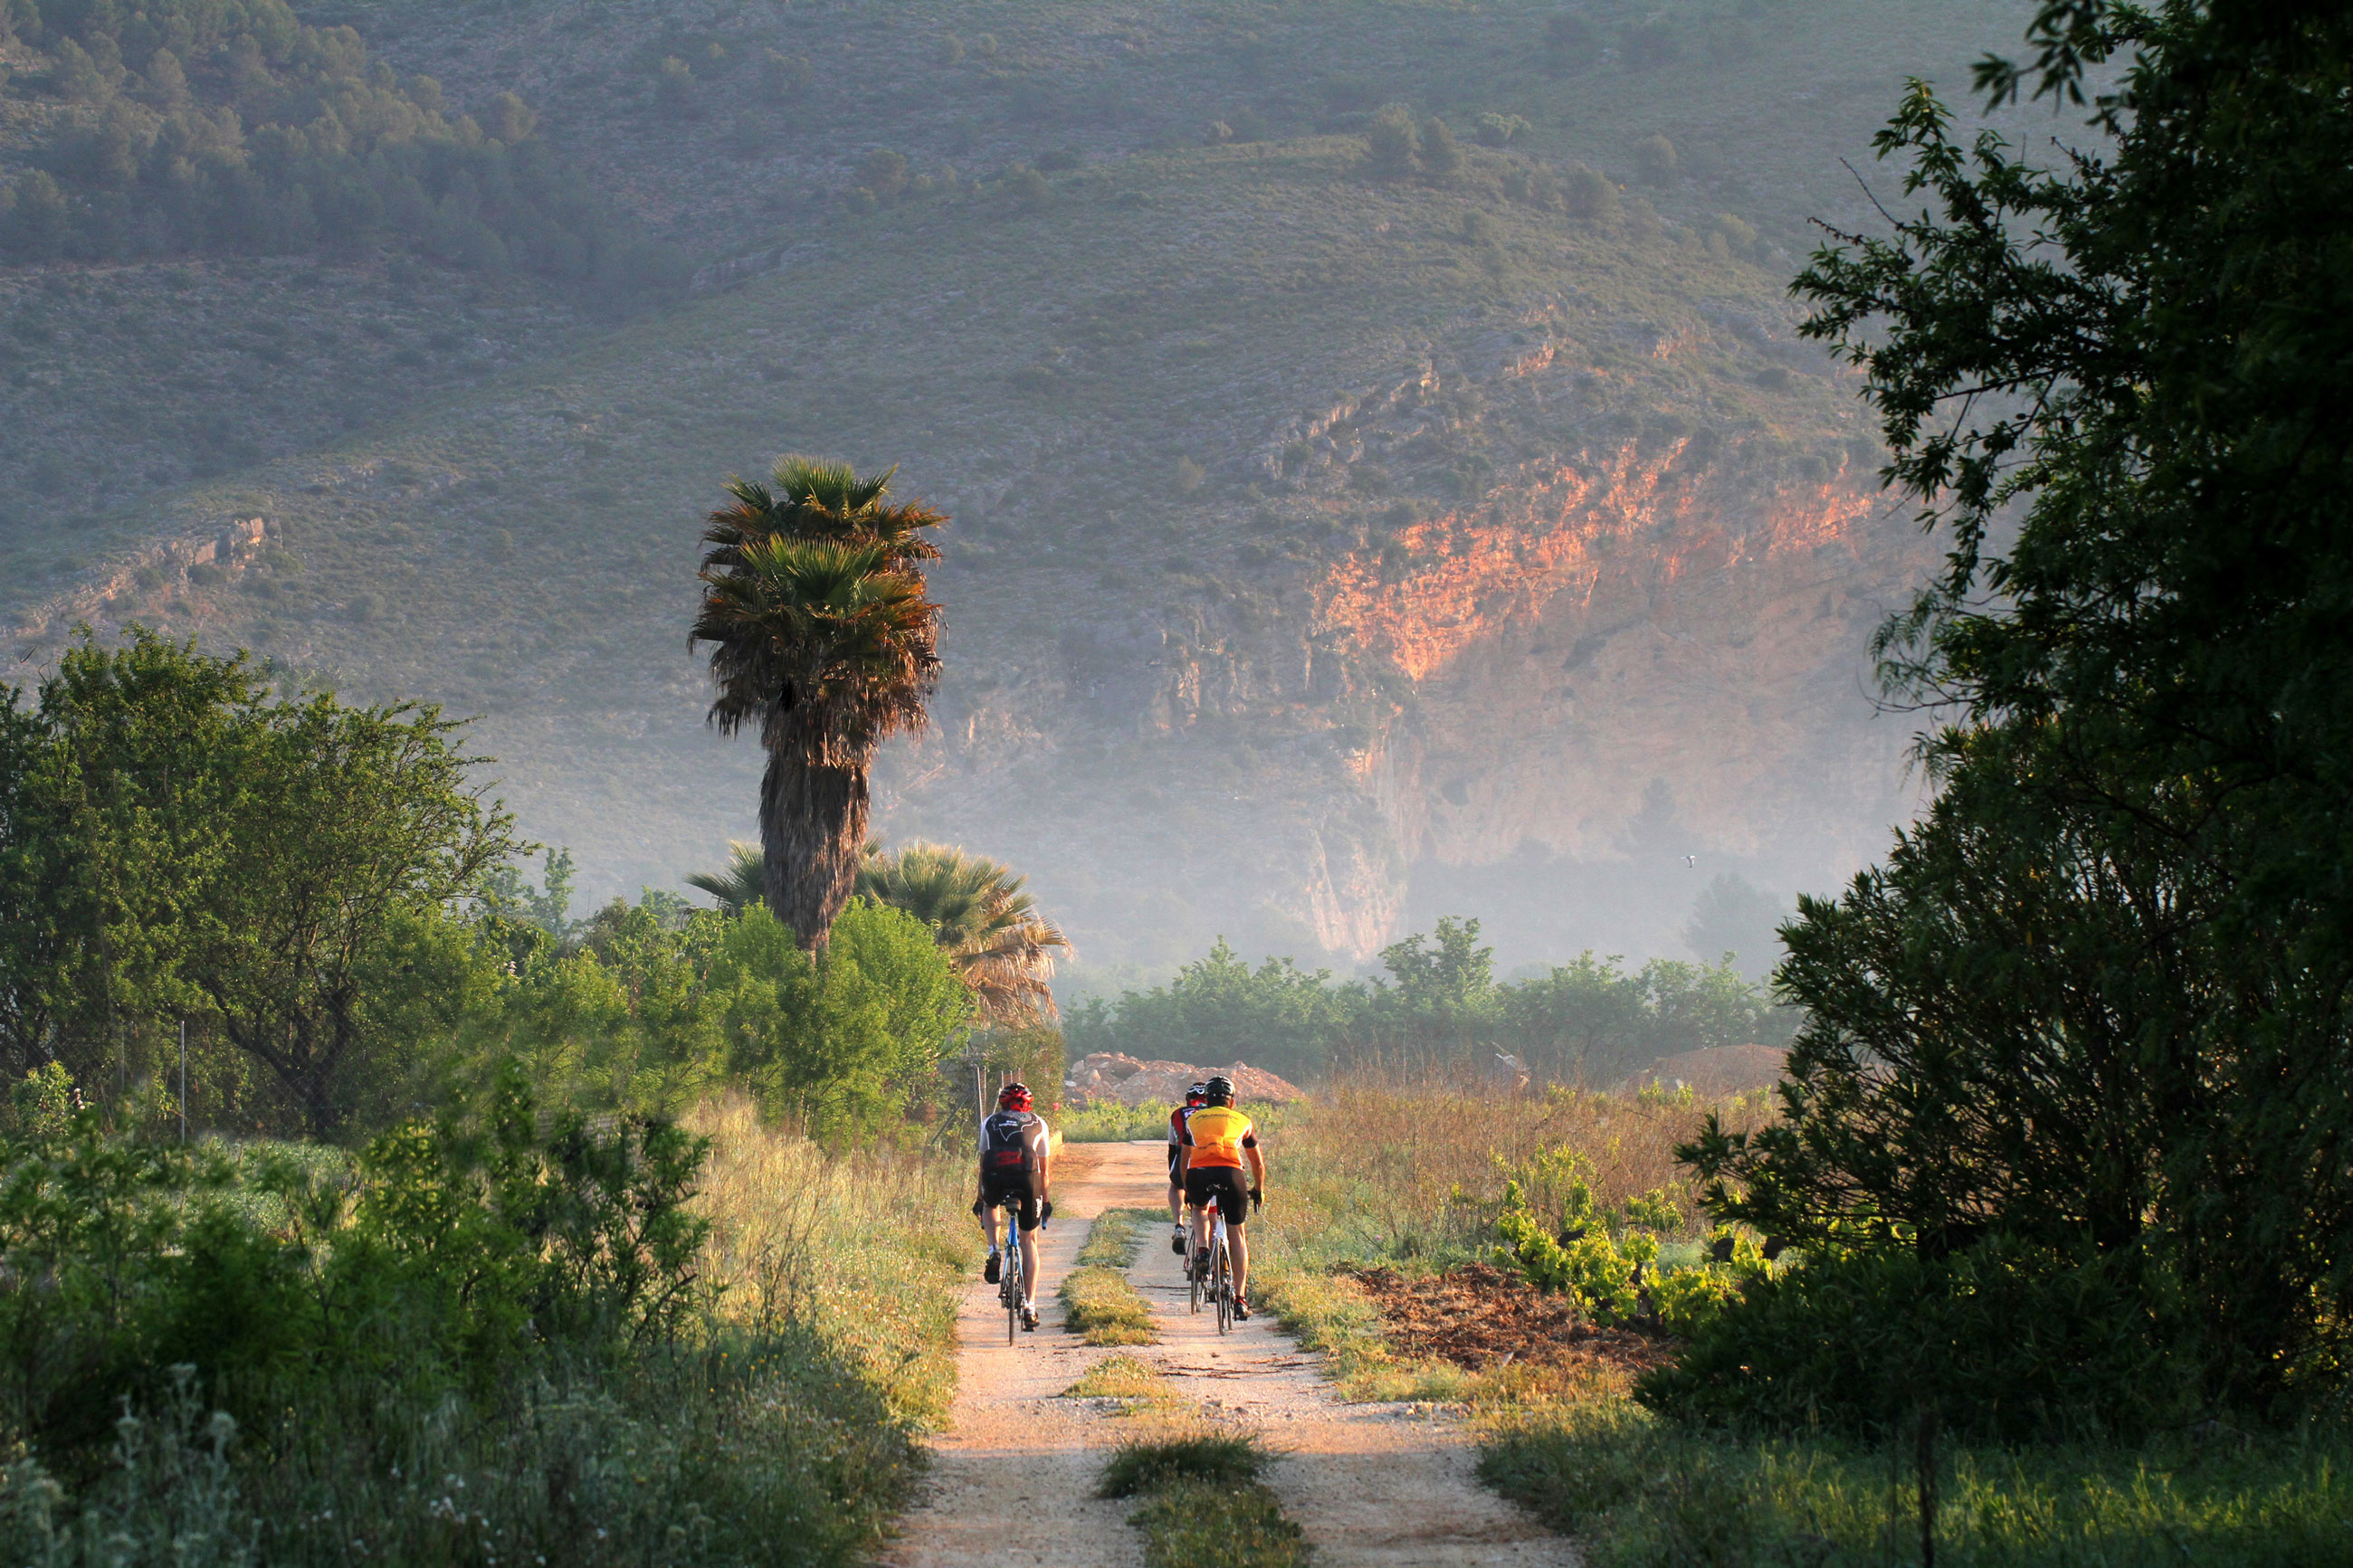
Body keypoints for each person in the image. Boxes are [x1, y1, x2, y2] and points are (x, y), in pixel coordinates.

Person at [1176, 1074, 1265, 1320]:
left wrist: (1188, 1190)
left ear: (1206, 1100)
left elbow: (1184, 1161)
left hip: (1198, 1173)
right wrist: (1258, 1189)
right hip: (1231, 1174)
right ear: (1232, 1103)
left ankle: (1203, 1250)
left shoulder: (1193, 1120)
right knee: (1237, 1234)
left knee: (1199, 1209)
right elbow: (1257, 1163)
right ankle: (1240, 1298)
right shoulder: (1243, 1121)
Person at [974, 1081, 1052, 1330]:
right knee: (1029, 1240)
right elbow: (1044, 1172)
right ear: (1028, 1104)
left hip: (995, 1177)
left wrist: (980, 1197)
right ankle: (1030, 1307)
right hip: (1027, 1180)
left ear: (1002, 1103)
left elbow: (983, 1162)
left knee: (990, 1205)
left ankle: (994, 1250)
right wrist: (1046, 1201)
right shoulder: (1039, 1123)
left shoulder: (989, 1122)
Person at [1167, 1080, 1207, 1255]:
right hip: (1216, 1160)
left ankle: (1179, 1225)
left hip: (1186, 1158)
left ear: (1187, 1100)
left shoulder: (1178, 1113)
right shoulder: (1218, 1114)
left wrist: (1174, 1176)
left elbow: (1172, 1147)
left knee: (1176, 1187)